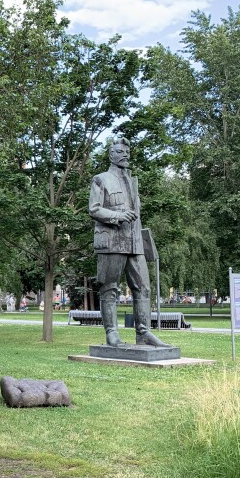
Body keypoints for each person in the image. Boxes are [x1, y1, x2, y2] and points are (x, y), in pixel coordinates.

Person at [89, 137, 170, 348]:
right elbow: (94, 209)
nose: (125, 155)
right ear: (111, 155)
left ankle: (143, 332)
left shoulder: (133, 182)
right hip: (113, 240)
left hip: (135, 242)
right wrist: (117, 216)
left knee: (143, 288)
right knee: (109, 288)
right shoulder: (101, 179)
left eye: (127, 152)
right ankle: (112, 334)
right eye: (120, 151)